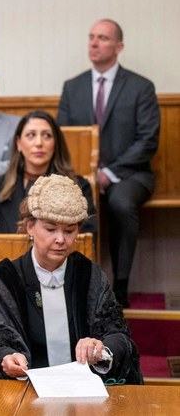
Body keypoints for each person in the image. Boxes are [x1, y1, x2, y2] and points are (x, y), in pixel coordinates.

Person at [0, 174, 142, 384]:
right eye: (51, 229)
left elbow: (119, 336)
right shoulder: (4, 281)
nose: (61, 240)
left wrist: (102, 350)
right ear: (30, 227)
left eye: (70, 230)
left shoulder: (90, 276)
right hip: (25, 393)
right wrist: (6, 358)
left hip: (81, 392)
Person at [57, 19, 160, 307]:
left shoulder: (140, 86)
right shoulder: (72, 87)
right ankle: (80, 288)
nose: (93, 42)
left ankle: (121, 287)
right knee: (68, 205)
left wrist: (109, 173)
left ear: (119, 46)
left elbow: (147, 140)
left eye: (102, 37)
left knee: (121, 204)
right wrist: (87, 176)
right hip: (81, 175)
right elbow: (63, 137)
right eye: (91, 37)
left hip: (130, 175)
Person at [0, 110, 97, 234]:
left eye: (47, 135)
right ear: (19, 144)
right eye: (31, 135)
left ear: (56, 144)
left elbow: (87, 239)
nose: (39, 143)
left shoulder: (77, 187)